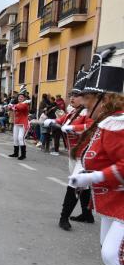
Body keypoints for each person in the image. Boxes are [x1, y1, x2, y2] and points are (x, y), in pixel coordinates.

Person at [68, 48, 124, 265]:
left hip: (122, 204)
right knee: (109, 256)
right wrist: (84, 171)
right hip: (113, 204)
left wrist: (93, 178)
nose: (84, 104)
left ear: (106, 98)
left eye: (89, 99)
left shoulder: (119, 124)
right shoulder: (108, 123)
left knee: (114, 255)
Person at [44, 69, 94, 230]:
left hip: (86, 155)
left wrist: (71, 128)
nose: (72, 97)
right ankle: (87, 215)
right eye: (71, 94)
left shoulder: (89, 112)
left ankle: (63, 218)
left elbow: (89, 127)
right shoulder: (73, 112)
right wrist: (49, 121)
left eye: (76, 95)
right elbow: (61, 120)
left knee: (74, 183)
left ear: (86, 97)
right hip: (74, 154)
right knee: (84, 185)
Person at [7, 85, 31, 160]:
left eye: (22, 97)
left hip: (24, 124)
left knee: (21, 138)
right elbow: (10, 108)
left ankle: (23, 155)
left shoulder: (25, 104)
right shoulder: (18, 104)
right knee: (15, 138)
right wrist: (9, 106)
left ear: (25, 98)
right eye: (19, 97)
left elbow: (17, 107)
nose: (20, 98)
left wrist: (11, 106)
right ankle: (16, 153)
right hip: (17, 123)